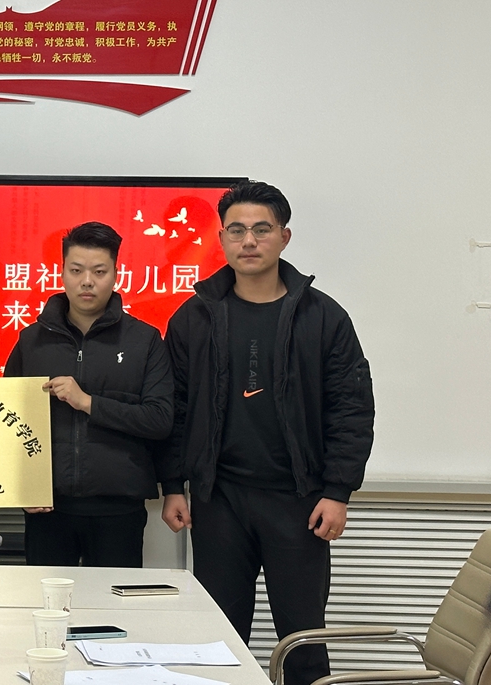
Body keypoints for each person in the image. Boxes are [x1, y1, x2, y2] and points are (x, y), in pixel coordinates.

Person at [161, 181, 375, 685]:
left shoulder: (323, 316)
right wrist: (172, 484)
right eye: (237, 230)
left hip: (298, 502)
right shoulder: (194, 317)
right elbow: (176, 408)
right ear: (221, 238)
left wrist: (337, 491)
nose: (249, 241)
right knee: (217, 639)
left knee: (303, 640)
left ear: (284, 236)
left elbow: (351, 408)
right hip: (219, 500)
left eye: (261, 229)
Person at [4, 221, 173, 567]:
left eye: (99, 271)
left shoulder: (144, 340)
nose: (87, 281)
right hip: (48, 507)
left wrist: (88, 403)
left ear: (115, 275)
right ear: (62, 272)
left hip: (118, 508)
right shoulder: (32, 341)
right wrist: (21, 487)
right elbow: (5, 420)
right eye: (76, 270)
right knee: (47, 599)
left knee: (113, 602)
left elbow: (160, 419)